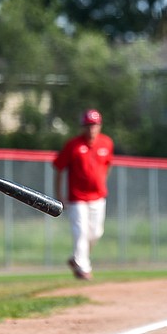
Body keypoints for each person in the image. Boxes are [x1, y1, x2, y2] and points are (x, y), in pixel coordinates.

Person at [53, 109, 114, 281]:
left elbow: (107, 165)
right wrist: (59, 195)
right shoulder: (73, 145)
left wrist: (101, 182)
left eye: (94, 125)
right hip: (77, 198)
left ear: (99, 125)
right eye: (88, 125)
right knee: (80, 232)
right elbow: (58, 168)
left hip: (98, 196)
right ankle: (83, 269)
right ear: (83, 126)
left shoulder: (106, 143)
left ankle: (76, 259)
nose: (91, 128)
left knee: (96, 233)